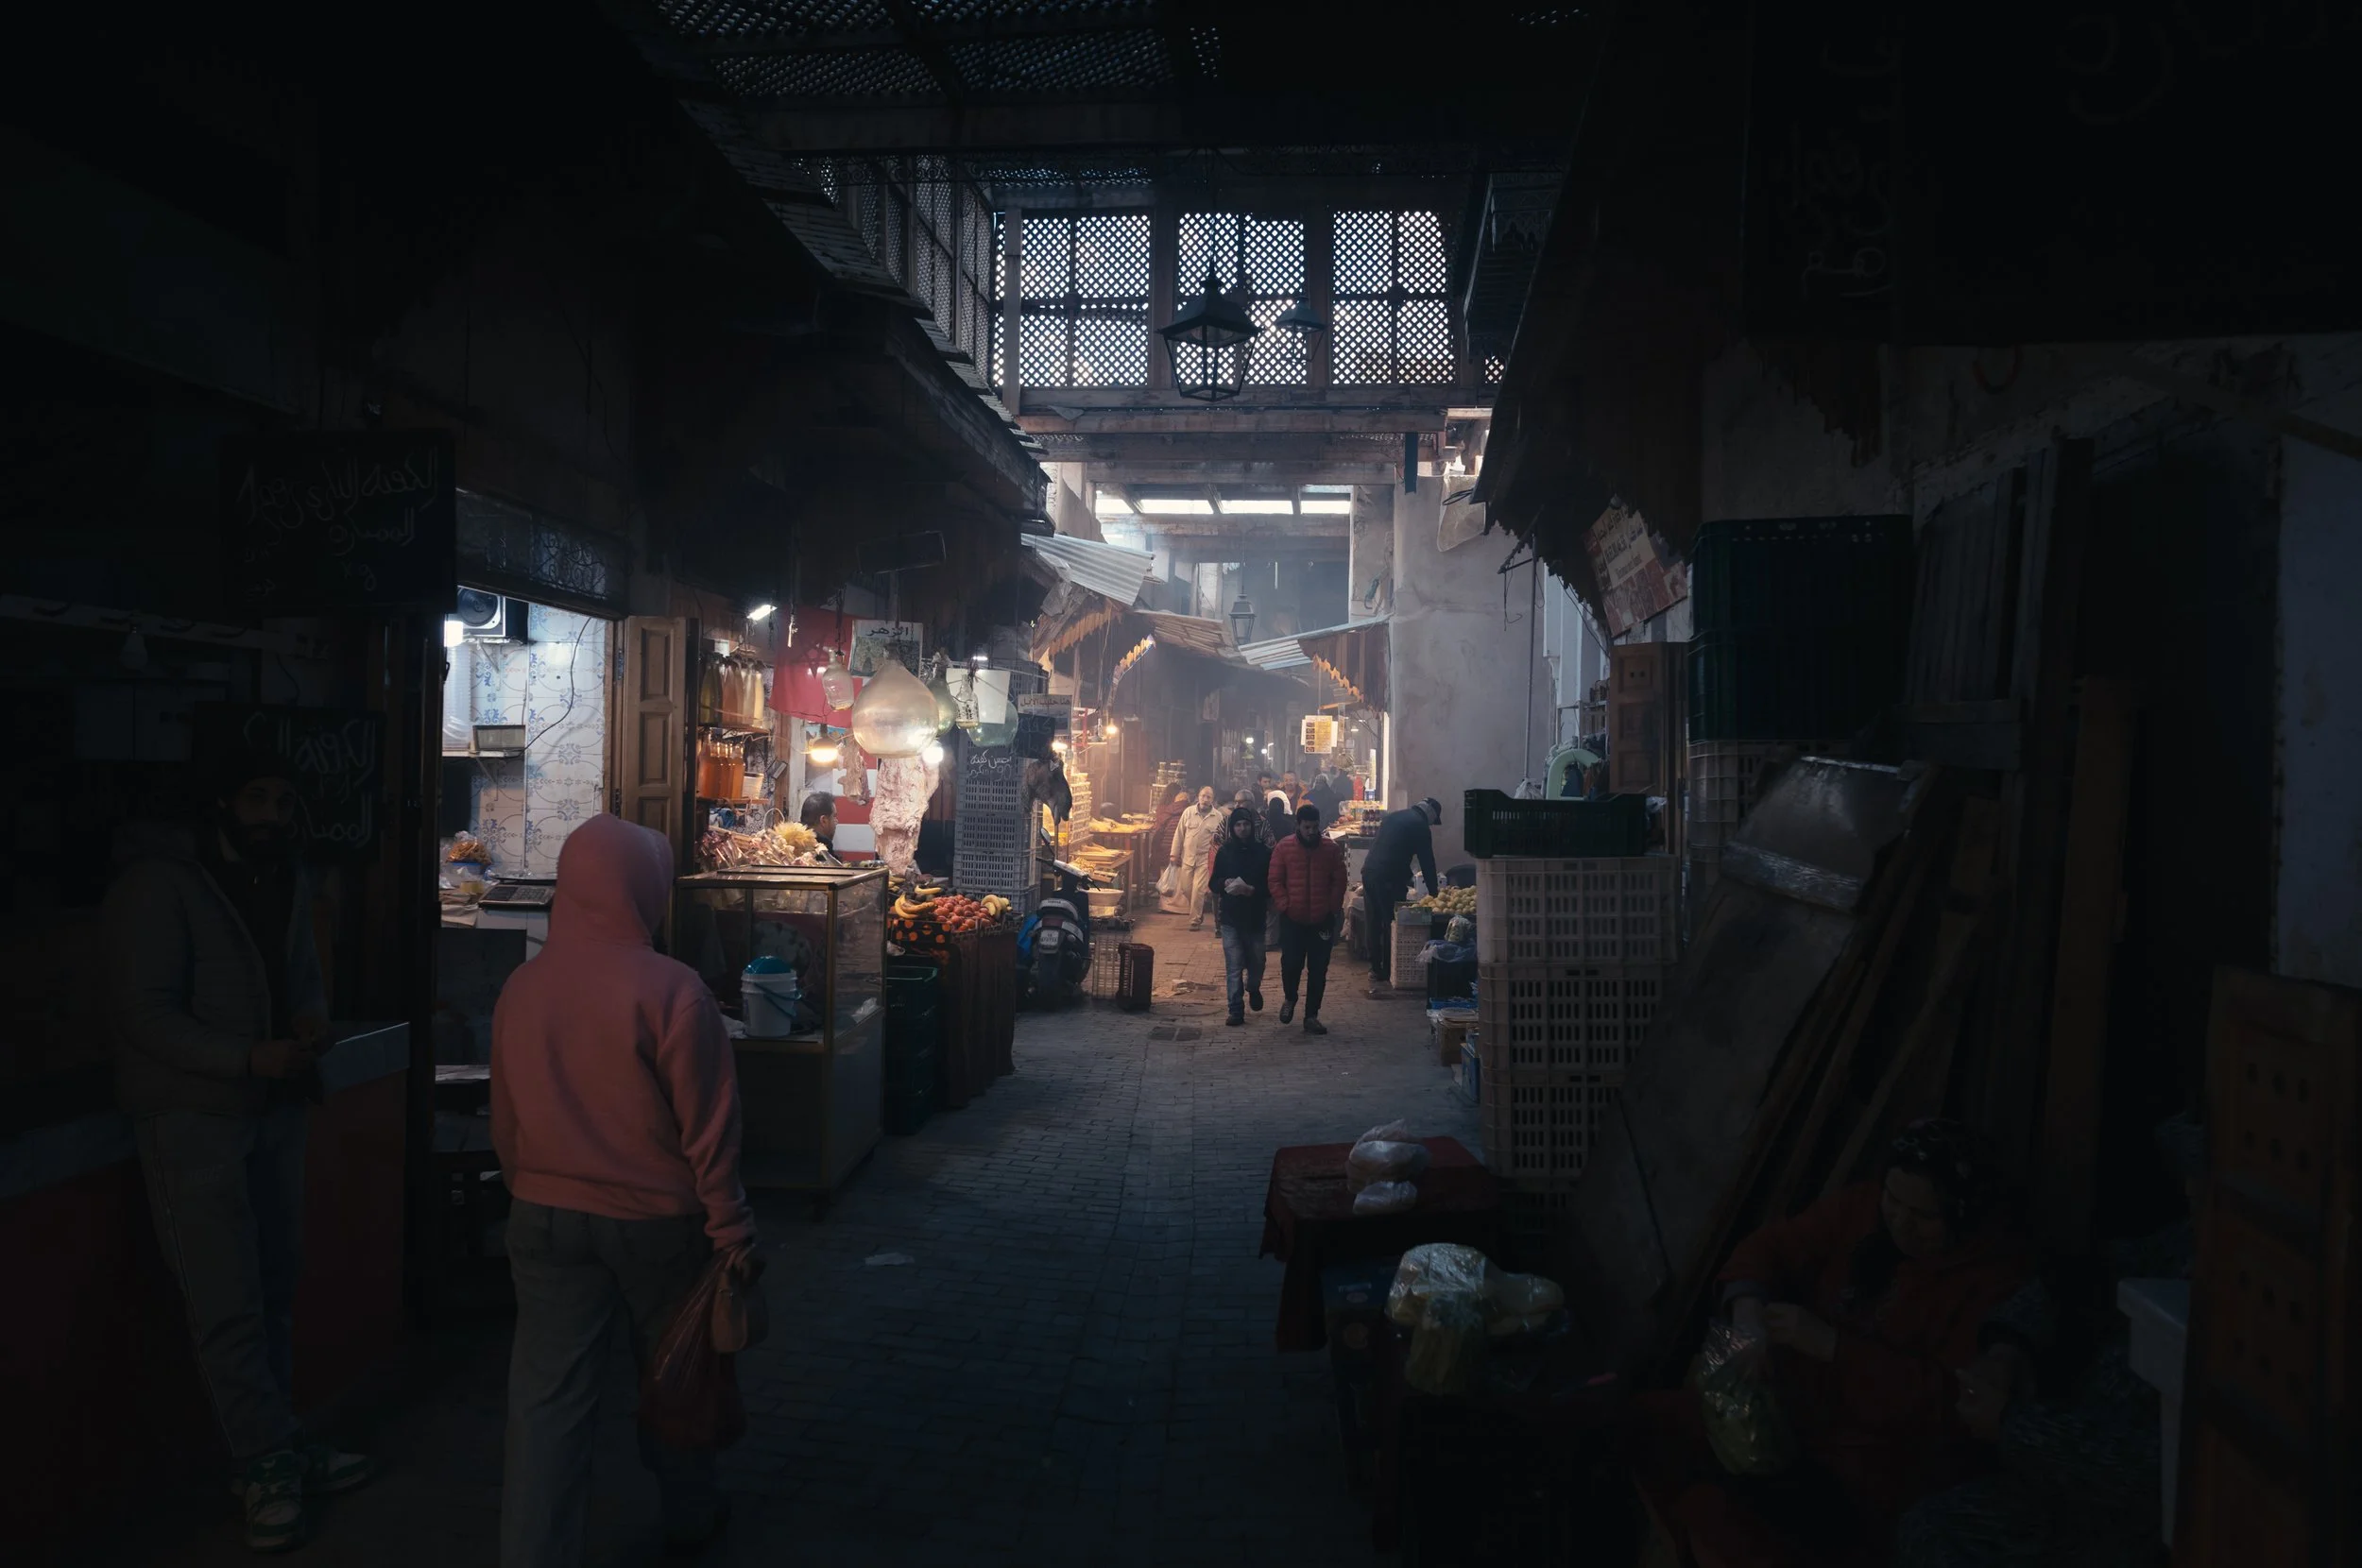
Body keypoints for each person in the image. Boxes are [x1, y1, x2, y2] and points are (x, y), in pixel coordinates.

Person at [107, 748, 375, 1553]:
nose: (273, 816)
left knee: (273, 1286)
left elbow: (301, 977)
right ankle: (261, 1464)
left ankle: (282, 1444)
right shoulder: (156, 889)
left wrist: (308, 1023)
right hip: (193, 1119)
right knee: (225, 1299)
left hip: (275, 1108)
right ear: (220, 804)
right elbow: (142, 1016)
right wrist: (242, 1057)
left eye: (285, 802)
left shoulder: (282, 877)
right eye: (257, 798)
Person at [492, 813, 755, 1566]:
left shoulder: (524, 986)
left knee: (546, 1403)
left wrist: (530, 1187)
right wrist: (732, 1231)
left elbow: (506, 1117)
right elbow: (710, 1130)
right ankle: (689, 1513)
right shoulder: (673, 990)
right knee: (676, 1370)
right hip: (658, 1227)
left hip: (543, 1216)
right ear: (646, 889)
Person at [1628, 1120, 2035, 1568]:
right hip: (1791, 1413)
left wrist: (1833, 1347)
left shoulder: (1996, 1280)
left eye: (1923, 1216)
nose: (1900, 1222)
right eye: (1893, 1200)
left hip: (1870, 1474)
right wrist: (1747, 1313)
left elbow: (1949, 1406)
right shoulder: (1861, 1212)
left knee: (1718, 1523)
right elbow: (1772, 1247)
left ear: (1961, 1213)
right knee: (1644, 1424)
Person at [1894, 1115, 2205, 1568]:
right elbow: (2069, 1283)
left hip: (2123, 1520)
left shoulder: (2251, 1310)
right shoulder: (2173, 1247)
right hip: (2058, 1479)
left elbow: (2157, 1476)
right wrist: (2008, 1348)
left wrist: (2014, 1426)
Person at [1268, 803, 1348, 1035]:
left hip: (1321, 920)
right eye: (1307, 827)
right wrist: (1285, 905)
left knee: (1318, 969)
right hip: (1293, 919)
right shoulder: (1284, 848)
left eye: (1315, 827)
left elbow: (1339, 880)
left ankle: (1311, 1015)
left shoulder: (1330, 850)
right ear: (1298, 826)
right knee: (1291, 964)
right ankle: (1290, 998)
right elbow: (1274, 880)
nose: (1311, 831)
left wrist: (1332, 907)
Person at [1361, 796, 1442, 994]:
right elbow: (1427, 863)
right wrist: (1434, 895)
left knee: (1373, 920)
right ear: (1431, 815)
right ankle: (1389, 969)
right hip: (1388, 878)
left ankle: (1375, 967)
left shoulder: (1394, 816)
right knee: (1391, 921)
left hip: (1369, 872)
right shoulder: (1420, 826)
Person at [1209, 806, 1272, 1027]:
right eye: (1238, 825)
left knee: (1257, 962)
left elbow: (1271, 886)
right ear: (1232, 828)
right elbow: (1213, 882)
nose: (1242, 828)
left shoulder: (1263, 853)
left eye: (1246, 824)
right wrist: (1224, 883)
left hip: (1255, 918)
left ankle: (1253, 987)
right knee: (1234, 965)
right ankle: (1235, 1009)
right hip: (1231, 919)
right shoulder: (1225, 852)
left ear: (1252, 826)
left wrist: (1252, 890)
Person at [1166, 786, 1225, 928]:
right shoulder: (1188, 812)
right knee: (1186, 889)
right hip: (1187, 858)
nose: (1205, 799)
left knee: (1198, 890)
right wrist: (1174, 854)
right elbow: (1179, 834)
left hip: (1205, 860)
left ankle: (1195, 920)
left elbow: (1221, 840)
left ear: (1213, 800)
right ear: (1198, 796)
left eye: (1208, 797)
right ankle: (1198, 910)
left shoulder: (1217, 816)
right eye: (1203, 796)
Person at [799, 790, 844, 863]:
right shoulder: (822, 850)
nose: (836, 821)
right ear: (823, 820)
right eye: (834, 816)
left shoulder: (787, 844)